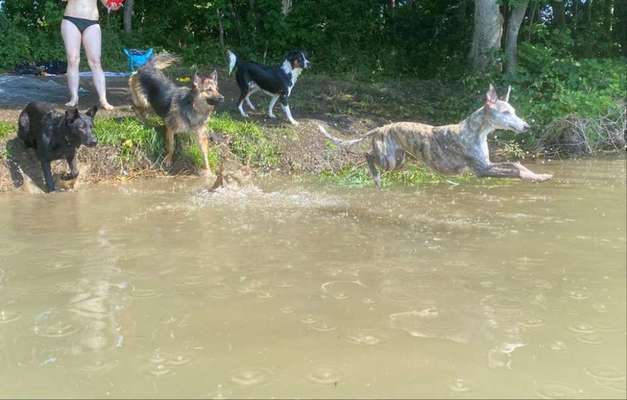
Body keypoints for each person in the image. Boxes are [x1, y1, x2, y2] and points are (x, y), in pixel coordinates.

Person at [61, 0, 121, 110]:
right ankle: (74, 97)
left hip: (92, 23)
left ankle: (103, 99)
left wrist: (113, 5)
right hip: (71, 20)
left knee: (95, 61)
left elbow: (107, 3)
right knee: (73, 59)